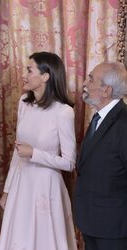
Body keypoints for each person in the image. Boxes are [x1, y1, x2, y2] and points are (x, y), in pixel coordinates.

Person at [0, 52, 77, 250]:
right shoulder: (24, 103)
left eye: (29, 70)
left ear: (46, 76)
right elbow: (18, 152)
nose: (24, 75)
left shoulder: (63, 112)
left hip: (46, 188)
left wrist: (35, 154)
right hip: (21, 186)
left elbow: (69, 162)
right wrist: (7, 191)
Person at [74, 62, 127, 250]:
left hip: (115, 228)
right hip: (94, 224)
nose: (84, 84)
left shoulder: (124, 122)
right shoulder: (99, 118)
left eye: (91, 79)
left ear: (106, 91)